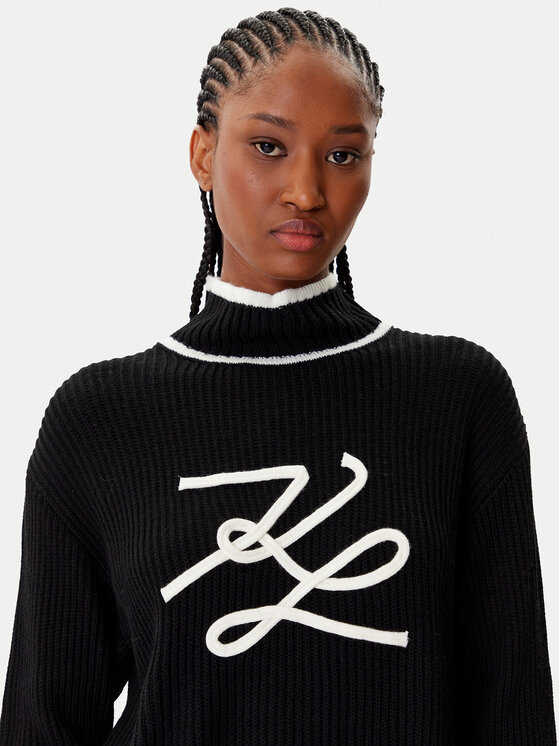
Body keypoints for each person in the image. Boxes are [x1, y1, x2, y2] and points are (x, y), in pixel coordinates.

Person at [0, 7, 556, 744]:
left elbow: (515, 709)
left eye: (343, 155)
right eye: (268, 146)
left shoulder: (458, 399)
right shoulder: (98, 419)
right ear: (202, 153)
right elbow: (43, 723)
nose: (306, 190)